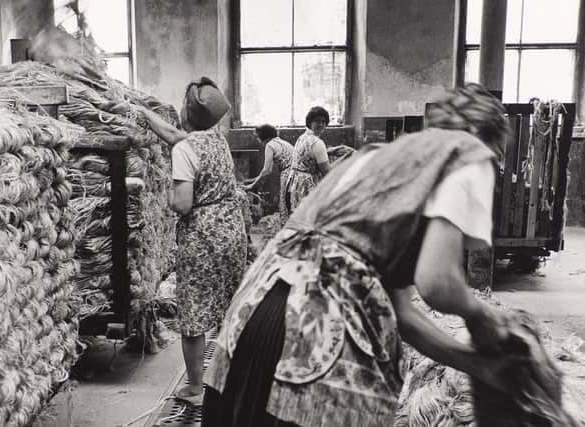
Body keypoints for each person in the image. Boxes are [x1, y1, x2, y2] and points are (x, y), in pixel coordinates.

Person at [201, 83, 514, 426]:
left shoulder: (375, 159)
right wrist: (482, 317)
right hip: (317, 334)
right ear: (490, 138)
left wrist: (476, 365)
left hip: (252, 314)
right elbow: (438, 283)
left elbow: (405, 317)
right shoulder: (469, 152)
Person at [140, 77, 247, 406]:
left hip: (202, 235)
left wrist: (164, 197)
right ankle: (236, 378)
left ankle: (196, 389)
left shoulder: (186, 150)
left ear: (187, 111)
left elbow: (183, 203)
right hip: (232, 229)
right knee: (229, 304)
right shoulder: (216, 140)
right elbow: (175, 137)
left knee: (193, 312)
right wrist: (144, 113)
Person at [242, 124, 295, 223]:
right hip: (296, 175)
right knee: (292, 205)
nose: (258, 140)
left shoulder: (270, 145)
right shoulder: (282, 142)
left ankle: (285, 231)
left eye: (258, 137)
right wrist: (252, 180)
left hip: (288, 174)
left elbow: (266, 171)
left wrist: (251, 186)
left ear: (263, 136)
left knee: (284, 206)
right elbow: (266, 171)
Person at [286, 106, 331, 214]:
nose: (321, 124)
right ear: (310, 122)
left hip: (294, 184)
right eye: (317, 121)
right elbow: (326, 172)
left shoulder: (303, 137)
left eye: (323, 121)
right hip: (307, 188)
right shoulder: (317, 143)